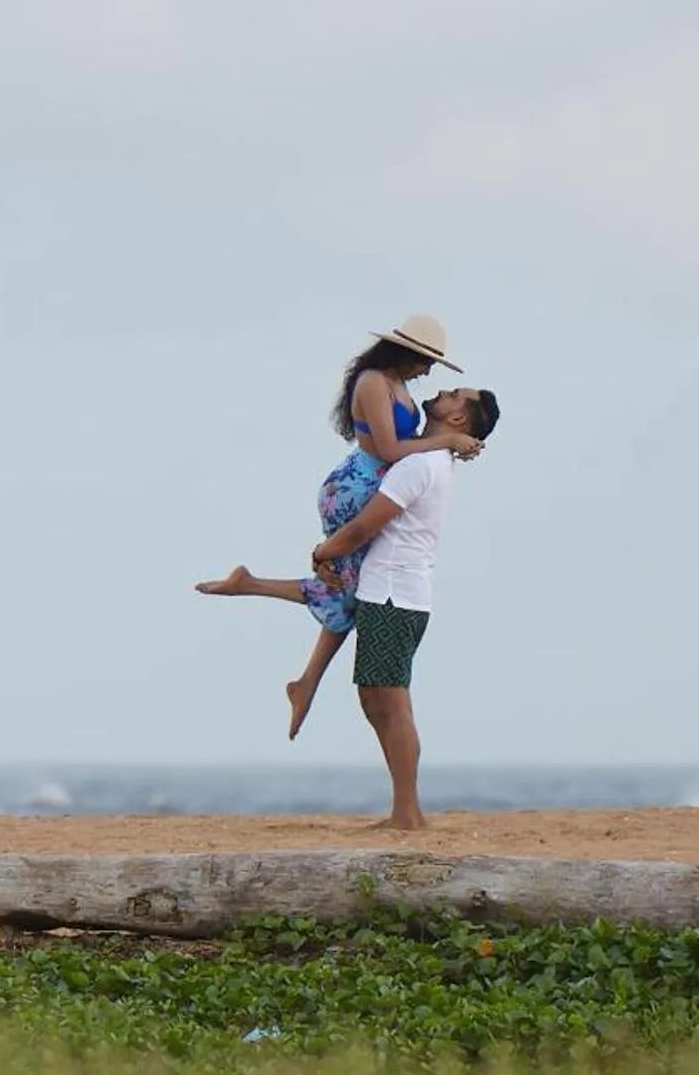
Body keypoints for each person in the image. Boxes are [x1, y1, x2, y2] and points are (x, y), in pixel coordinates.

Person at [195, 315, 484, 739]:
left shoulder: (397, 386)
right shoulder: (372, 382)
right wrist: (447, 440)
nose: (428, 373)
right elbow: (388, 449)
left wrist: (453, 443)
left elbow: (412, 451)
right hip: (354, 487)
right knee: (351, 590)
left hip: (374, 485)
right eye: (427, 363)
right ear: (410, 355)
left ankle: (298, 668)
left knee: (351, 595)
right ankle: (290, 654)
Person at [307, 384, 500, 828]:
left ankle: (406, 813)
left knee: (388, 703)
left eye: (455, 395)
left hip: (394, 592)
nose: (444, 390)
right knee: (380, 699)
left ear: (458, 419)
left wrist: (323, 553)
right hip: (398, 592)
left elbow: (364, 527)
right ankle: (405, 809)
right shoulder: (431, 459)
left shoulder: (419, 465)